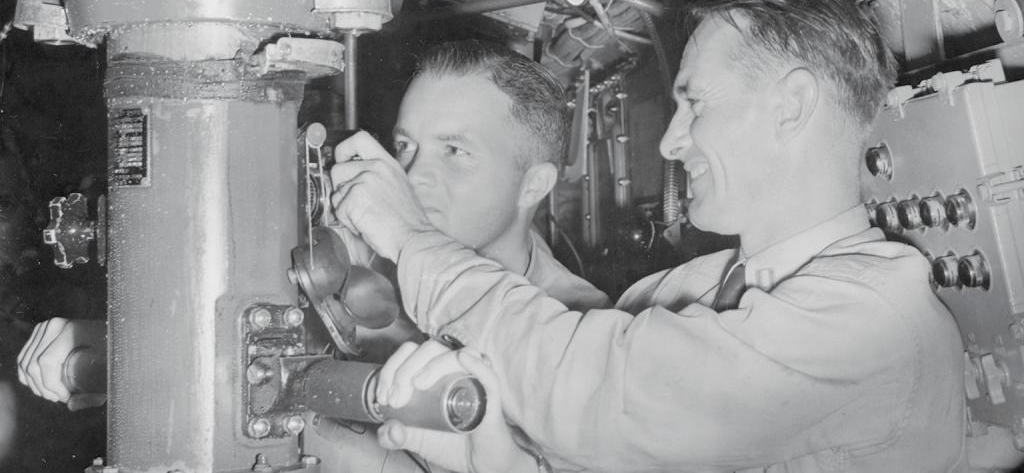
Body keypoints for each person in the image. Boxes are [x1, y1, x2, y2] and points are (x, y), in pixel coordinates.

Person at [331, 0, 967, 472]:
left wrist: (413, 240)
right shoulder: (686, 291)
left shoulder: (876, 322)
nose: (669, 142)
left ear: (792, 106)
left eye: (693, 102)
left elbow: (600, 397)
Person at [16, 40, 610, 470]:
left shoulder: (578, 341)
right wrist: (131, 350)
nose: (412, 177)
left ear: (535, 184)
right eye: (404, 146)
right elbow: (240, 351)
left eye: (455, 151)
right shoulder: (342, 263)